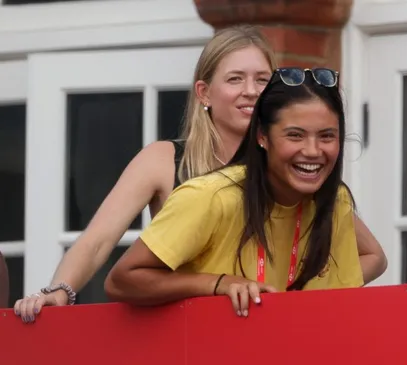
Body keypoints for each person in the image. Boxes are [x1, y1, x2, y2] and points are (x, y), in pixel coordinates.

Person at [15, 25, 386, 323]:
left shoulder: (289, 166)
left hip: (258, 329)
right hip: (186, 330)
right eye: (236, 79)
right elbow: (98, 241)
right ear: (204, 93)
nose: (251, 91)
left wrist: (289, 296)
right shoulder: (166, 160)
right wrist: (60, 291)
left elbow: (367, 254)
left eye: (261, 79)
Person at [105, 67, 362, 316]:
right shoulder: (210, 197)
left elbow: (340, 305)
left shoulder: (335, 200)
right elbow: (121, 280)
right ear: (262, 136)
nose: (313, 151)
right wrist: (218, 284)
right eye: (295, 136)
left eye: (327, 136)